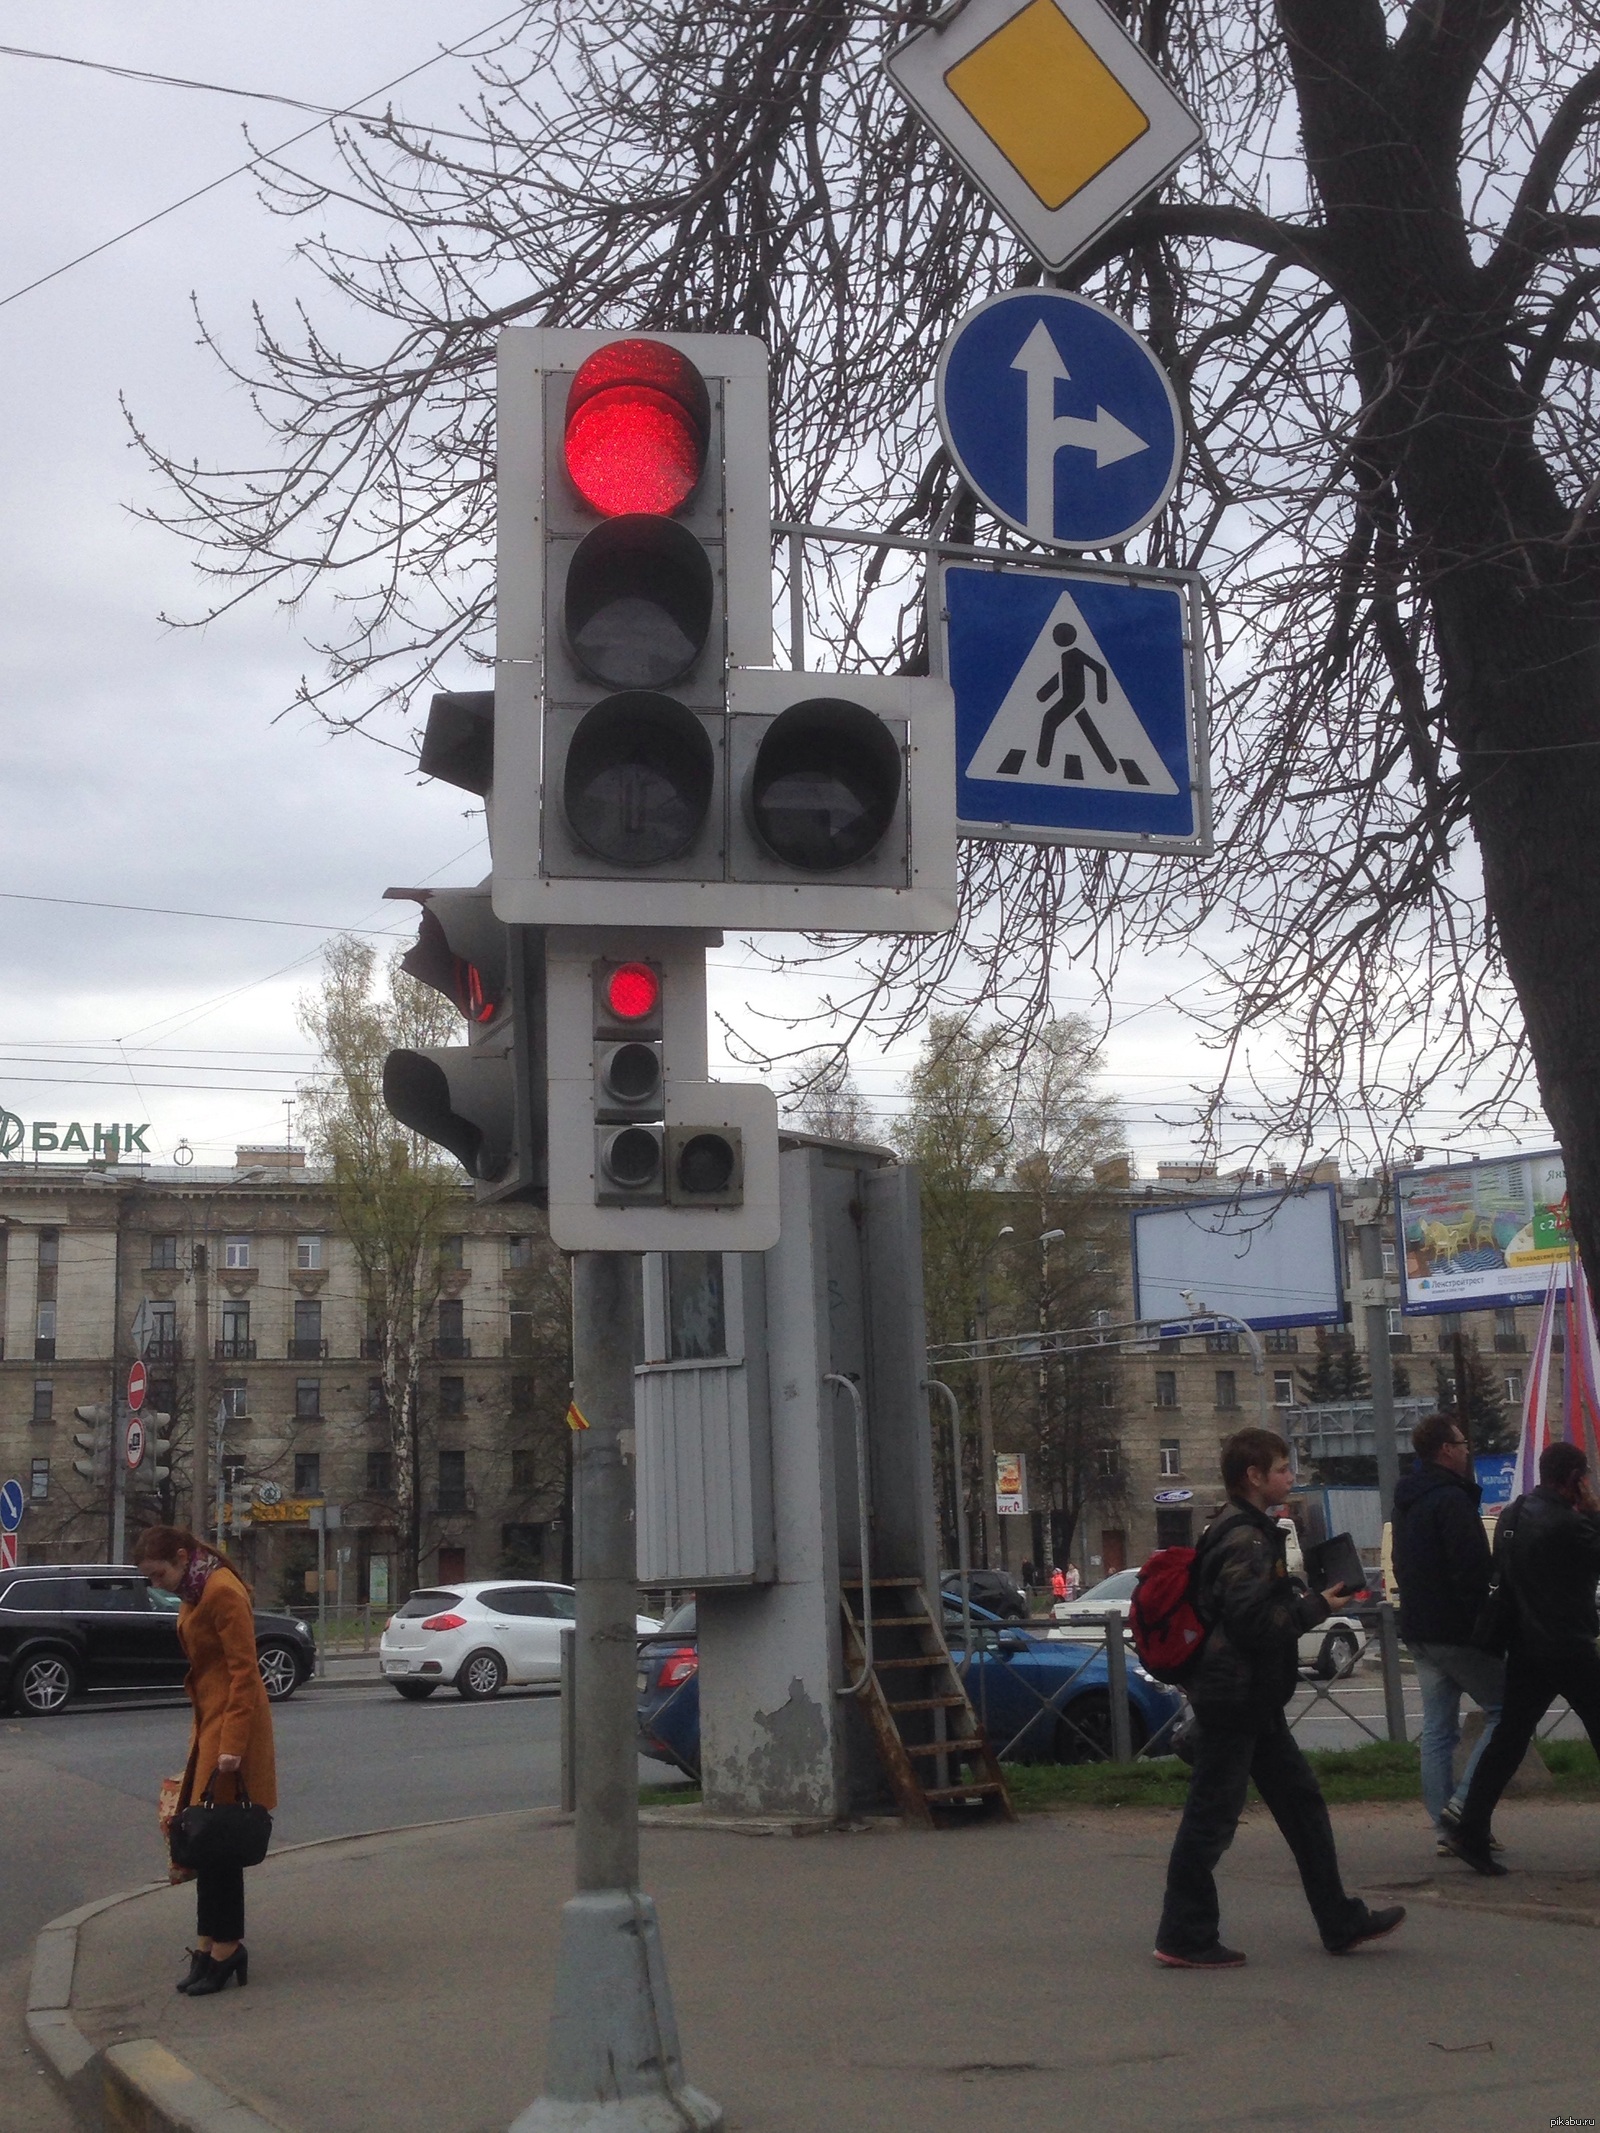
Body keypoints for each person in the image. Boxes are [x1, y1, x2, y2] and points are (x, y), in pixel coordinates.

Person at [1155, 1427, 1406, 1967]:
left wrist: (1293, 1593)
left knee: (1302, 1805)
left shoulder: (1240, 1529)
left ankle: (1339, 1920)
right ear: (1254, 1477)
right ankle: (1184, 1935)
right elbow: (1249, 1623)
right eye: (1283, 1469)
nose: (1291, 1478)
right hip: (1235, 1699)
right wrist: (1314, 1606)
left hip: (1252, 1699)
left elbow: (1241, 1606)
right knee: (1211, 1819)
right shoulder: (1244, 1536)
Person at [1441, 1440, 1600, 1875]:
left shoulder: (1513, 1514)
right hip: (1568, 1644)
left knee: (1509, 1740)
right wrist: (1593, 1510)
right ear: (1573, 1478)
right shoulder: (1570, 1523)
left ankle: (1469, 1830)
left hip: (1526, 1645)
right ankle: (1469, 1831)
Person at [135, 1525, 277, 1995]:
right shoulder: (195, 1590)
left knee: (219, 1841)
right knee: (202, 1836)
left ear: (181, 1557)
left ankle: (227, 1948)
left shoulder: (221, 1591)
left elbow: (245, 1672)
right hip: (209, 1726)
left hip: (231, 1731)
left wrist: (233, 1745)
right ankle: (207, 1943)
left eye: (159, 1574)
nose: (158, 1584)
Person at [1392, 1412, 1504, 1852]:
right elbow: (1471, 1572)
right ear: (1445, 1451)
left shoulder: (1407, 1501)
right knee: (1506, 1711)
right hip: (1457, 1631)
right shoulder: (1453, 1501)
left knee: (1438, 1729)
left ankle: (1446, 1828)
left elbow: (1403, 1563)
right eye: (1461, 1443)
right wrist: (1487, 1625)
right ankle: (1463, 1805)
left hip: (1419, 1628)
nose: (1466, 1449)